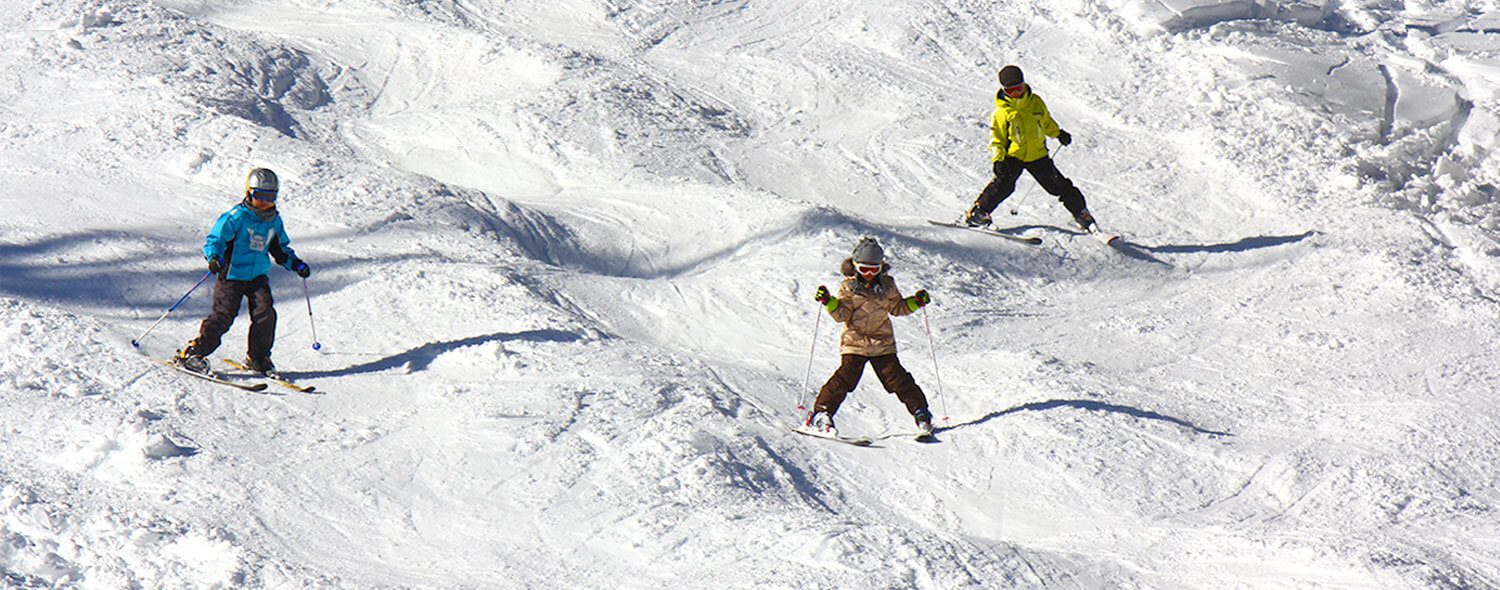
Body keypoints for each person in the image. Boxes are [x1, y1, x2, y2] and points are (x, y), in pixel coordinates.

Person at [174, 168, 311, 376]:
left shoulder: (274, 221)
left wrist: (296, 264)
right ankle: (194, 353)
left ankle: (258, 358)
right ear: (249, 193)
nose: (264, 202)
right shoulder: (236, 217)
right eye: (259, 196)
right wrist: (214, 257)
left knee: (265, 313)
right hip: (232, 275)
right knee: (224, 315)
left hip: (258, 276)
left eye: (270, 197)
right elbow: (216, 240)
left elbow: (280, 249)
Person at [807, 237, 934, 436]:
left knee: (898, 379)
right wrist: (829, 301)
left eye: (874, 270)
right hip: (855, 342)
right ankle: (821, 414)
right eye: (864, 269)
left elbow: (896, 307)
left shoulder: (888, 285)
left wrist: (915, 302)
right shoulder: (848, 287)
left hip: (882, 343)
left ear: (881, 268)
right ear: (855, 266)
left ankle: (921, 413)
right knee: (844, 378)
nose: (868, 275)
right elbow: (842, 314)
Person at [964, 64, 1097, 232]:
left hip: (1038, 155)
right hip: (1013, 157)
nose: (1015, 93)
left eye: (1018, 88)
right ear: (1003, 90)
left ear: (1024, 84)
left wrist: (1058, 133)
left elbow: (1046, 122)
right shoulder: (1001, 112)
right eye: (1010, 91)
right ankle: (978, 214)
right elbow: (996, 139)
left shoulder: (1035, 103)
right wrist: (998, 159)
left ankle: (1082, 214)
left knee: (1058, 186)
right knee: (1004, 185)